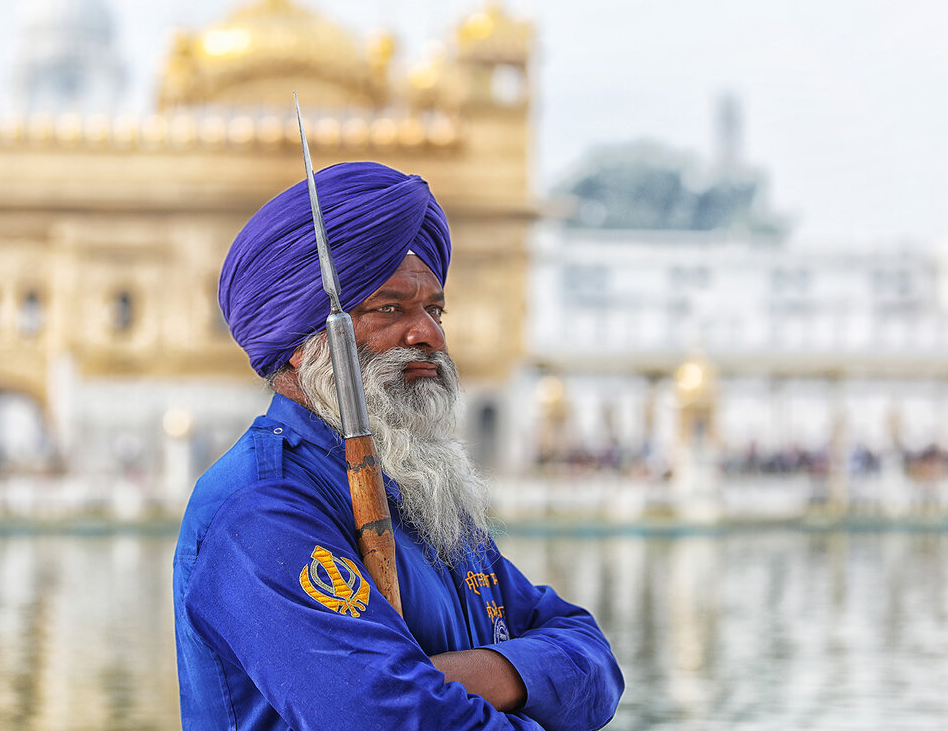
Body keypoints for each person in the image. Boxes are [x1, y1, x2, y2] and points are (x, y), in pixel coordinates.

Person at [173, 162, 624, 731]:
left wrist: (459, 675)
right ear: (301, 339)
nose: (430, 336)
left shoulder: (419, 489)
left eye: (434, 310)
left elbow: (592, 659)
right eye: (391, 308)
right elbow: (388, 718)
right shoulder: (264, 509)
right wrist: (503, 684)